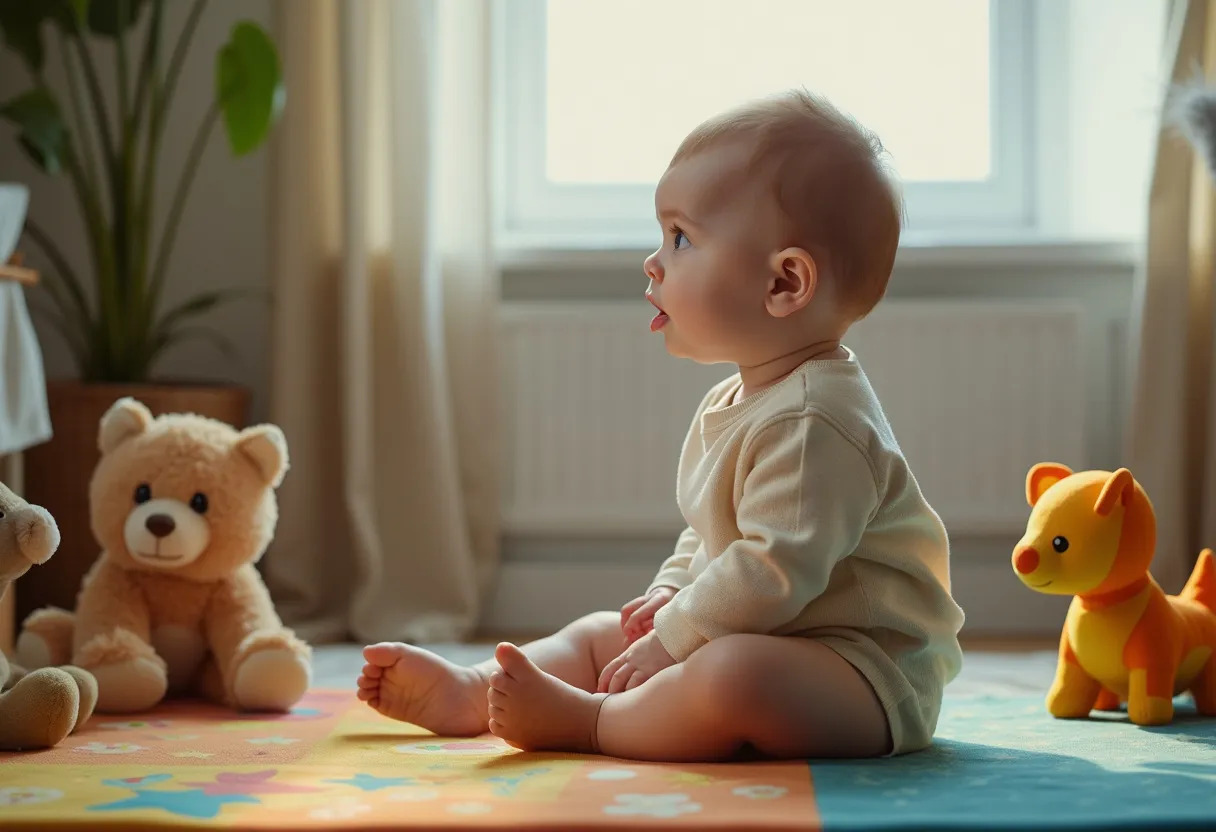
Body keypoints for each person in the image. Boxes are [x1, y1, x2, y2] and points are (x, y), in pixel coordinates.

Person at [357, 89, 965, 762]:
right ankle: (477, 691)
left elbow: (771, 571)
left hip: (863, 675)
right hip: (776, 636)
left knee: (731, 675)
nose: (654, 261)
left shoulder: (818, 421)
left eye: (681, 238)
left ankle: (592, 723)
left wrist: (678, 636)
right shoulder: (739, 399)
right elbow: (713, 533)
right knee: (601, 634)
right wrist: (669, 595)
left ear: (784, 284)